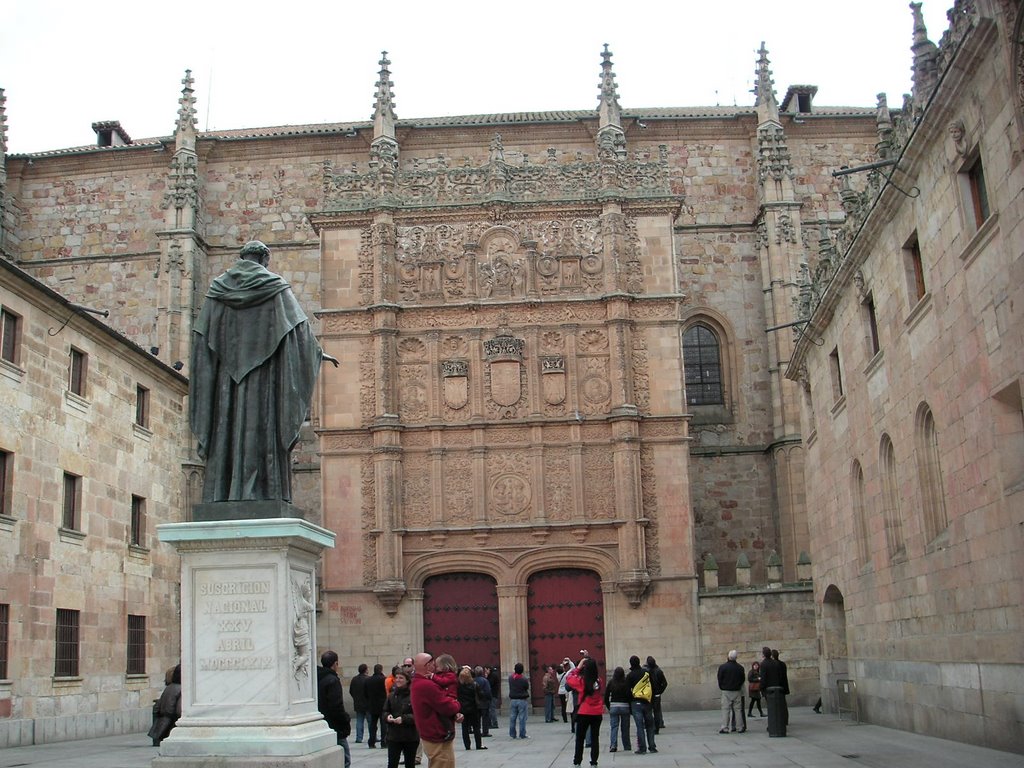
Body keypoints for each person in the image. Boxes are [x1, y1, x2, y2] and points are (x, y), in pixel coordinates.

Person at [189, 239, 339, 505]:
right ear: (265, 259)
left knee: (228, 428)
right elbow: (299, 332)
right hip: (264, 381)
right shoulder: (275, 287)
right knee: (261, 429)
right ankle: (263, 491)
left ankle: (224, 492)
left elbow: (202, 338)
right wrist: (317, 353)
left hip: (227, 384)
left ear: (242, 257)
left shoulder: (217, 290)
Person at [410, 652, 463, 768]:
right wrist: (456, 704)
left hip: (432, 732)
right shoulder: (427, 685)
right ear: (427, 665)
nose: (435, 667)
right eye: (433, 664)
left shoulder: (419, 682)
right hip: (437, 734)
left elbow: (436, 706)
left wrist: (454, 714)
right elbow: (446, 706)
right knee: (443, 763)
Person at [317, 651, 352, 768]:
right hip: (335, 727)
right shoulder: (332, 680)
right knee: (345, 760)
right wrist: (345, 720)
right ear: (335, 663)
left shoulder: (317, 678)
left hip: (322, 724)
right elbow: (336, 706)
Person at [566, 656, 603, 767]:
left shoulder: (581, 682)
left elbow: (569, 677)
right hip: (597, 712)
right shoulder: (599, 681)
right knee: (595, 738)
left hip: (584, 712)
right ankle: (594, 762)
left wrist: (579, 666)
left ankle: (577, 761)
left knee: (580, 738)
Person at [384, 669, 419, 768]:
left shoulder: (413, 695)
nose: (398, 680)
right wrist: (387, 717)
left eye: (401, 678)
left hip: (410, 736)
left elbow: (417, 715)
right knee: (392, 763)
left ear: (407, 680)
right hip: (394, 735)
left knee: (409, 763)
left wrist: (403, 719)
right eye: (396, 678)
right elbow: (385, 710)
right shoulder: (391, 695)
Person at [625, 655, 657, 754]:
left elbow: (627, 691)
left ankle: (642, 748)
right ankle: (652, 746)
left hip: (636, 702)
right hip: (647, 702)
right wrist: (651, 700)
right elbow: (653, 685)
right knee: (650, 725)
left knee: (639, 726)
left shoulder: (630, 675)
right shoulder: (646, 673)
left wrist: (630, 702)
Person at [148, 663, 181, 746]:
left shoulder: (169, 688)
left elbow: (158, 706)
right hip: (170, 721)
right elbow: (177, 710)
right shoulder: (179, 689)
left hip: (165, 719)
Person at [603, 666, 632, 753]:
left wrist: (609, 707)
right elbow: (629, 695)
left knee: (614, 727)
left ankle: (613, 745)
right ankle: (626, 745)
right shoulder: (626, 682)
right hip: (625, 706)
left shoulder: (611, 682)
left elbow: (606, 696)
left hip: (614, 706)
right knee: (625, 727)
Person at [717, 650, 745, 734]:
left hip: (726, 690)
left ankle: (725, 727)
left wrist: (722, 687)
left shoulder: (723, 667)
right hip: (737, 690)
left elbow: (719, 678)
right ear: (736, 657)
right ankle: (740, 727)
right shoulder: (740, 667)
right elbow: (742, 679)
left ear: (728, 657)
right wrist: (738, 686)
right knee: (738, 710)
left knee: (726, 709)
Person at [457, 666, 485, 750]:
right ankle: (478, 745)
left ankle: (467, 746)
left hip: (463, 709)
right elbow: (481, 695)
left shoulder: (459, 686)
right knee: (476, 727)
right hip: (473, 708)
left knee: (464, 728)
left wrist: (461, 668)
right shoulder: (474, 685)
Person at [759, 646, 785, 737]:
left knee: (771, 708)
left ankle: (772, 725)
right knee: (777, 707)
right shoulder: (775, 663)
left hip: (768, 689)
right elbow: (780, 676)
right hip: (777, 687)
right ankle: (777, 724)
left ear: (763, 654)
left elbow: (763, 678)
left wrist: (761, 688)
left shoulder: (763, 664)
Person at [367, 663, 389, 748]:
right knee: (383, 725)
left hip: (372, 705)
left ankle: (371, 742)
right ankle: (384, 742)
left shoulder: (368, 680)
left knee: (372, 725)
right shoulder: (384, 679)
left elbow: (366, 693)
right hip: (382, 705)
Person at [507, 662, 530, 738]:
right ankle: (522, 734)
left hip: (513, 699)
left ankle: (512, 733)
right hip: (522, 700)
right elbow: (526, 687)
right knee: (522, 717)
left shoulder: (510, 678)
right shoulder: (523, 679)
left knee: (512, 717)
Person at [646, 656, 668, 733]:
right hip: (655, 694)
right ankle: (656, 727)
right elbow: (664, 683)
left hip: (650, 694)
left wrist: (659, 691)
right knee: (656, 711)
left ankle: (652, 726)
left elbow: (664, 683)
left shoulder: (648, 672)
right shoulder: (658, 671)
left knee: (650, 711)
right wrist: (659, 691)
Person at [349, 663, 370, 743]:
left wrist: (356, 698)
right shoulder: (368, 679)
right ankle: (373, 736)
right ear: (365, 670)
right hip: (367, 703)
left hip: (358, 703)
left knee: (359, 721)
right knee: (370, 722)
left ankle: (359, 738)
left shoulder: (354, 679)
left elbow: (351, 691)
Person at [473, 666, 493, 737]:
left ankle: (477, 731)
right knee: (485, 718)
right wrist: (489, 699)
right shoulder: (485, 681)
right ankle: (485, 732)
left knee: (477, 718)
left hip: (475, 702)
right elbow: (488, 691)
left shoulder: (473, 681)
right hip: (484, 702)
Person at [773, 649, 790, 726]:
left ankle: (781, 720)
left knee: (778, 705)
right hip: (783, 686)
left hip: (778, 686)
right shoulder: (782, 664)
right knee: (783, 704)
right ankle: (785, 719)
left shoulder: (774, 664)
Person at [558, 659, 574, 723]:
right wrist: (569, 661)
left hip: (560, 691)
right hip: (565, 691)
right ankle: (571, 716)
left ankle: (564, 718)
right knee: (569, 705)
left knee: (563, 706)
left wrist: (562, 664)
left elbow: (559, 668)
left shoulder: (558, 675)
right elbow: (573, 668)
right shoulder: (566, 675)